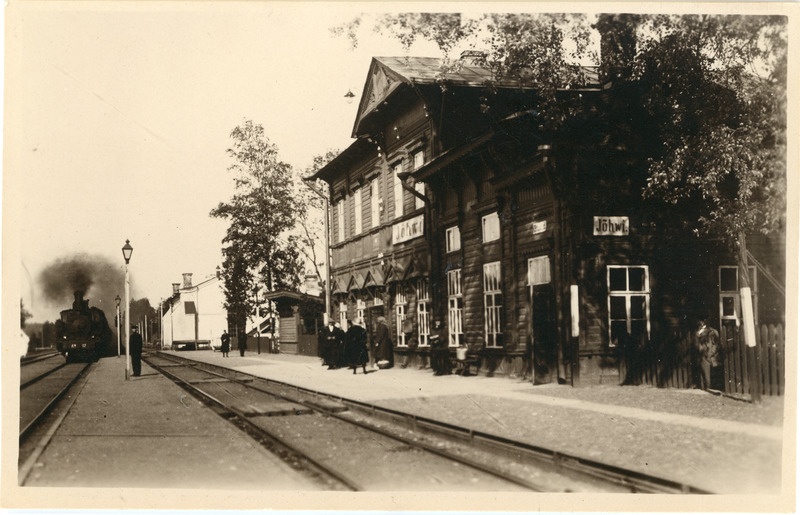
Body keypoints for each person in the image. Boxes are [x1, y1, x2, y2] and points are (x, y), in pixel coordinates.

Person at [696, 318, 721, 390]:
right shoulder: (704, 331)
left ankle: (709, 388)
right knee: (706, 375)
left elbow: (716, 344)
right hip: (705, 354)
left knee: (712, 375)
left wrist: (711, 352)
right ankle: (707, 388)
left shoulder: (713, 331)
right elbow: (697, 335)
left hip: (711, 354)